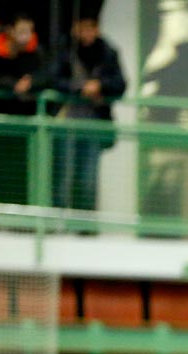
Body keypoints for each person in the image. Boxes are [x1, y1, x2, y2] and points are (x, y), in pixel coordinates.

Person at [48, 15, 126, 214]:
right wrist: (80, 87)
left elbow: (120, 83)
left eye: (90, 28)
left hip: (93, 123)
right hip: (66, 121)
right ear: (75, 29)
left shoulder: (107, 52)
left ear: (97, 29)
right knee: (63, 175)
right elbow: (53, 79)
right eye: (82, 28)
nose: (86, 33)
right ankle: (58, 221)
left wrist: (101, 85)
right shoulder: (65, 50)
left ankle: (85, 227)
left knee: (87, 178)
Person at [0, 13, 43, 206]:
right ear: (10, 31)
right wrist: (12, 85)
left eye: (29, 31)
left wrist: (32, 82)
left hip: (25, 127)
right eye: (21, 31)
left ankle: (22, 223)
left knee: (21, 172)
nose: (26, 36)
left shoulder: (35, 53)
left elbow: (48, 75)